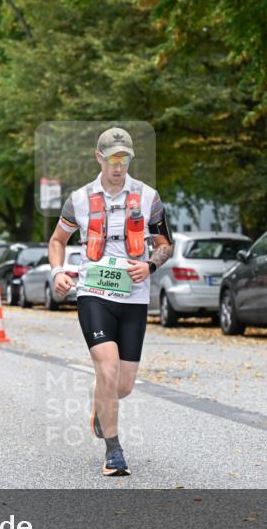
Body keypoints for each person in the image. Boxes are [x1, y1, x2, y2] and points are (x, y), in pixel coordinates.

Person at [48, 127, 173, 477]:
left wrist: (149, 264)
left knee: (123, 385)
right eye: (113, 159)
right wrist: (57, 270)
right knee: (107, 368)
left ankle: (100, 406)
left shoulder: (149, 197)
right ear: (99, 157)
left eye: (126, 159)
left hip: (134, 296)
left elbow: (165, 245)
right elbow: (57, 240)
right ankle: (114, 451)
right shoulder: (80, 198)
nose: (119, 166)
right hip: (94, 293)